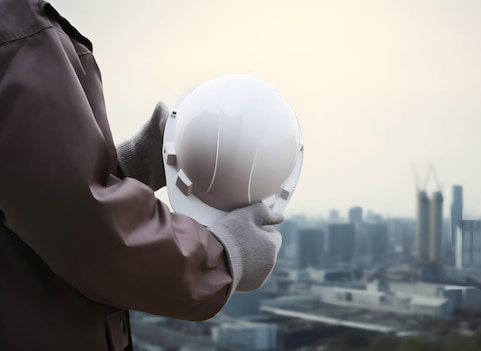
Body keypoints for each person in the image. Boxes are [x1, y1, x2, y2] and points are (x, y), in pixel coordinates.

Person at [0, 0, 284, 350]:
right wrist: (226, 256)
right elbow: (83, 229)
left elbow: (33, 201)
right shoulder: (15, 31)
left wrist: (126, 168)